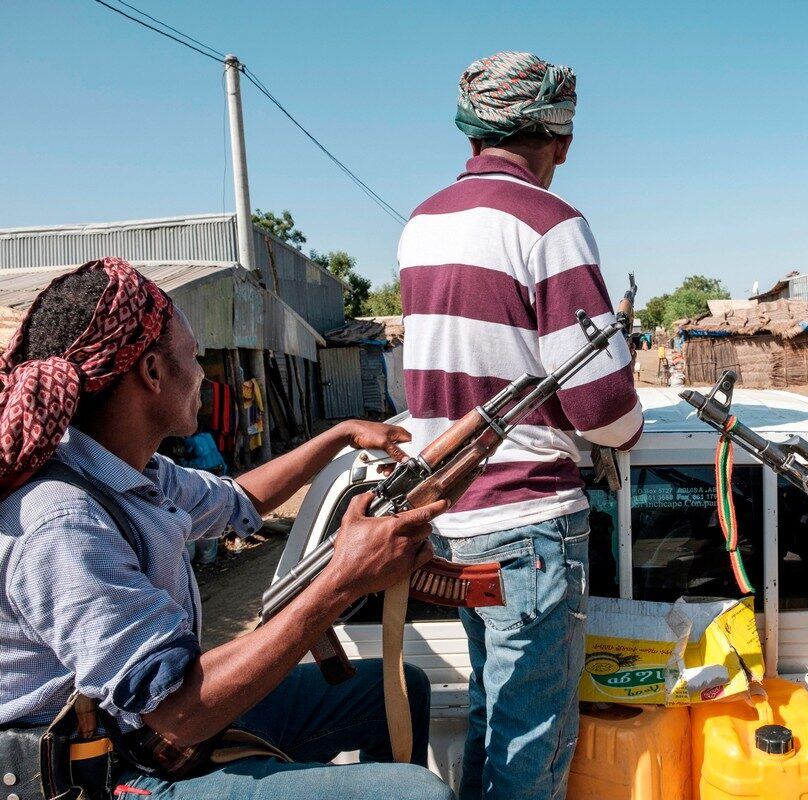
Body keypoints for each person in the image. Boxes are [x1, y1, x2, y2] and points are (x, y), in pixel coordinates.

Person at [0, 258, 454, 800]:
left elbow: (241, 500)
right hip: (113, 772)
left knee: (400, 690)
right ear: (152, 372)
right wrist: (344, 579)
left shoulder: (127, 469)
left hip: (153, 731)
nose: (202, 375)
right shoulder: (63, 520)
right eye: (196, 357)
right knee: (418, 794)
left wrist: (339, 436)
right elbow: (179, 714)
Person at [396, 52, 644, 800]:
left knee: (492, 712)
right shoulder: (550, 225)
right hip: (530, 524)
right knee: (533, 741)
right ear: (561, 140)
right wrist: (628, 428)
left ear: (472, 132)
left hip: (455, 520)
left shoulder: (422, 223)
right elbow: (601, 410)